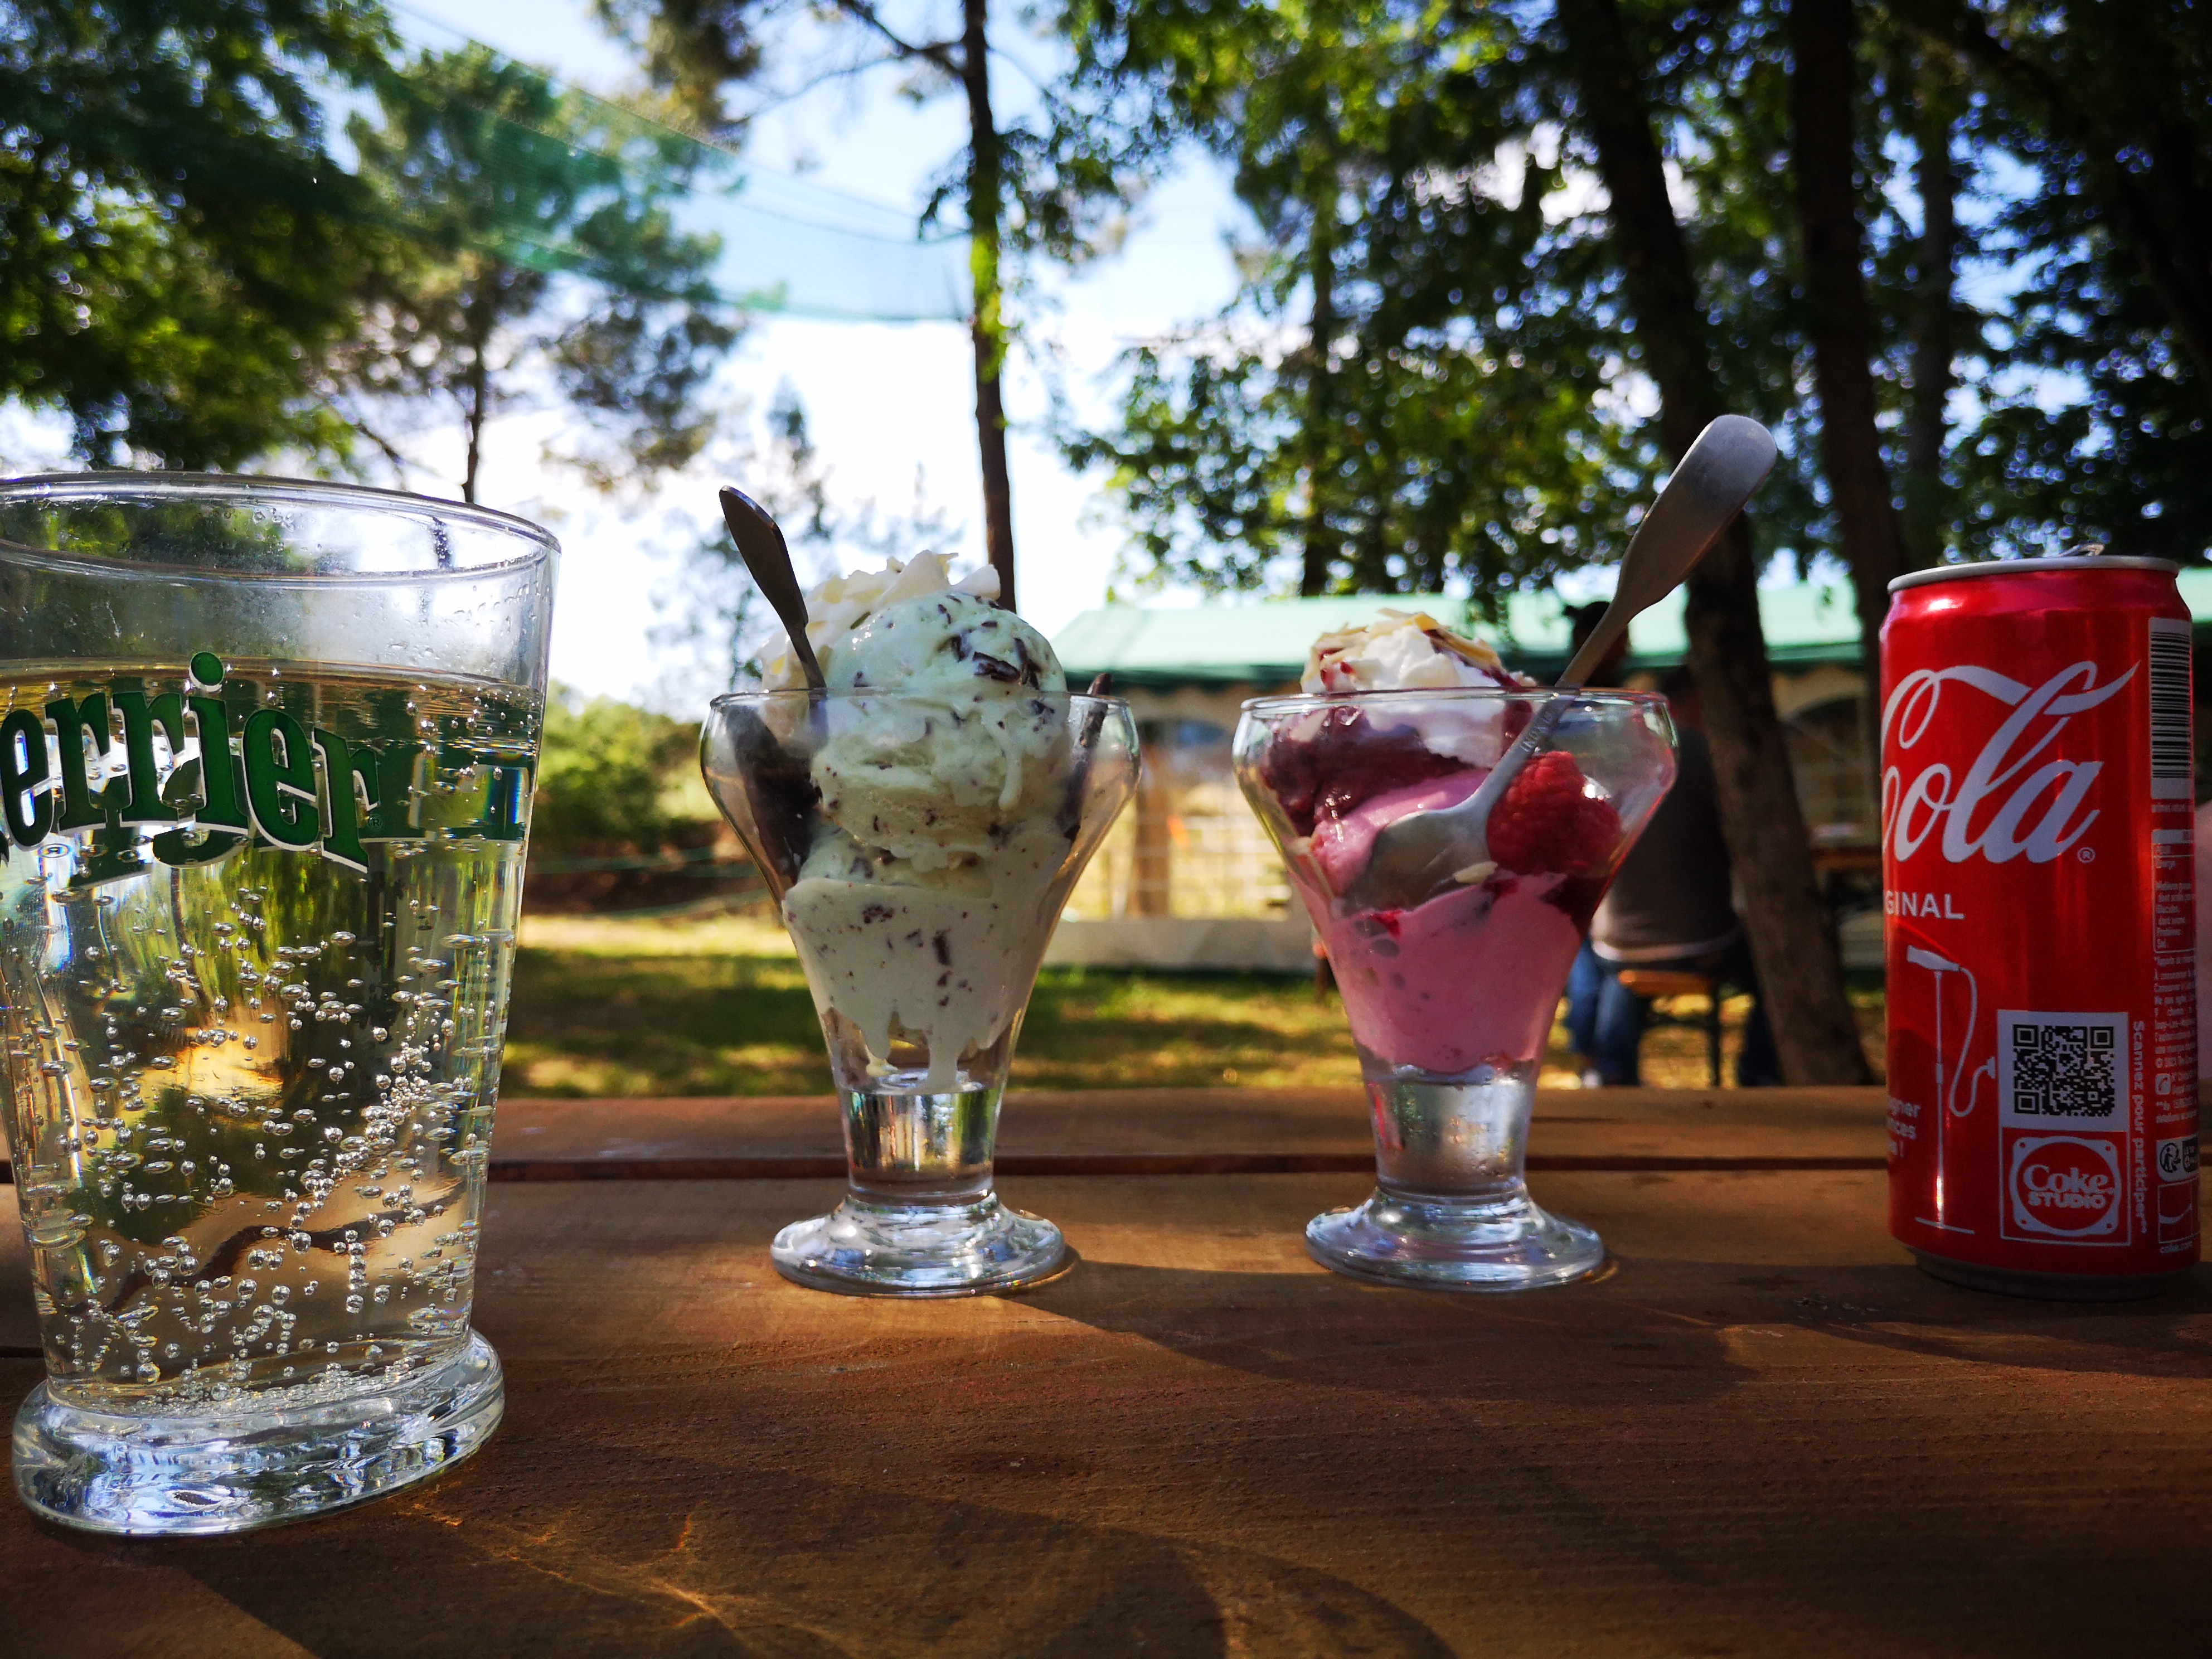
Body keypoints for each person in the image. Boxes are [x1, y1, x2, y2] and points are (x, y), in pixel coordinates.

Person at [1560, 605, 1779, 1086]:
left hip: (1618, 943)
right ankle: (1759, 1072)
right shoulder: (1706, 754)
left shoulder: (1593, 746)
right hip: (1703, 938)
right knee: (1781, 967)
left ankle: (1599, 1062)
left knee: (1593, 947)